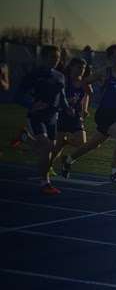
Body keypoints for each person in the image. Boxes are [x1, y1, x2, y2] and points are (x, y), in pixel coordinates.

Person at [60, 44, 116, 184]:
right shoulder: (105, 72)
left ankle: (68, 160)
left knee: (92, 144)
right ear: (110, 58)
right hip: (104, 114)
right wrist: (91, 95)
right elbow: (85, 82)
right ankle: (115, 172)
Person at [24, 45, 70, 194]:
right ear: (43, 58)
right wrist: (31, 104)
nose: (55, 60)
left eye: (57, 58)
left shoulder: (60, 76)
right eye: (52, 57)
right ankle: (45, 183)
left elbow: (61, 96)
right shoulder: (34, 74)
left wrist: (67, 108)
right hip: (37, 117)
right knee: (47, 147)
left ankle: (25, 138)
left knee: (49, 151)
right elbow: (17, 95)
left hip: (52, 119)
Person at [52, 58, 92, 176]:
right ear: (71, 67)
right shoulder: (64, 80)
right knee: (56, 148)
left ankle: (66, 149)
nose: (81, 70)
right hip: (62, 115)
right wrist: (66, 102)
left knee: (82, 143)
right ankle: (48, 167)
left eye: (83, 68)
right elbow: (55, 96)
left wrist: (85, 109)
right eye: (79, 67)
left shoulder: (84, 82)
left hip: (75, 116)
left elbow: (87, 95)